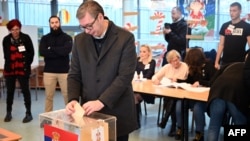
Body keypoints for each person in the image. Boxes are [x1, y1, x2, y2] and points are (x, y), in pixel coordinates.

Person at [65, 1, 137, 141]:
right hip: (89, 115)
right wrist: (73, 99)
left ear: (100, 17)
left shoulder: (125, 38)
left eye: (89, 26)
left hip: (117, 113)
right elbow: (74, 74)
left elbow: (124, 76)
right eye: (82, 27)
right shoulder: (80, 40)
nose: (86, 31)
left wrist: (102, 101)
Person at [174, 48, 217, 141]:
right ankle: (180, 129)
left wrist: (200, 82)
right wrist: (178, 81)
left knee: (198, 108)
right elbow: (190, 81)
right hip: (193, 96)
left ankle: (199, 133)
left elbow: (214, 82)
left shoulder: (209, 66)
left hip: (205, 99)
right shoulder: (193, 67)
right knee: (179, 104)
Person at [207, 51, 250, 141]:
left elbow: (212, 81)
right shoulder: (247, 72)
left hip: (217, 93)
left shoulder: (229, 65)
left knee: (213, 127)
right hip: (235, 97)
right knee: (240, 127)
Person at [2, 19, 34, 123]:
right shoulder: (6, 40)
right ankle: (8, 112)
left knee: (25, 91)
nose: (15, 32)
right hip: (10, 69)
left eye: (17, 29)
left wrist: (25, 63)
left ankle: (28, 113)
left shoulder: (26, 38)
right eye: (13, 30)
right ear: (10, 30)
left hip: (23, 69)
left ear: (20, 29)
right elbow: (6, 55)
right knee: (10, 91)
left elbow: (31, 53)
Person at [39, 16, 73, 112]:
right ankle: (48, 118)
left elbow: (66, 51)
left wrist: (51, 48)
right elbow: (42, 52)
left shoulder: (67, 37)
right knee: (49, 97)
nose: (54, 24)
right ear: (49, 24)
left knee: (68, 96)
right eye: (52, 22)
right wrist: (59, 50)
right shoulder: (45, 38)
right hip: (49, 72)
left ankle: (71, 117)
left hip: (64, 72)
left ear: (60, 23)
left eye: (56, 22)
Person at [152, 49, 188, 137]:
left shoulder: (184, 66)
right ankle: (172, 125)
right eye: (173, 61)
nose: (176, 62)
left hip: (180, 93)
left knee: (172, 100)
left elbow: (184, 79)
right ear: (170, 61)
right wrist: (156, 80)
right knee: (170, 100)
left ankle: (166, 120)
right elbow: (154, 77)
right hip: (168, 92)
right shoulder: (167, 67)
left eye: (177, 60)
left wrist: (176, 80)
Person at [214, 2, 250, 70]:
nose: (231, 13)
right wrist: (216, 62)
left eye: (234, 11)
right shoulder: (225, 26)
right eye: (230, 10)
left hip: (239, 62)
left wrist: (247, 58)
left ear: (240, 11)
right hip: (225, 62)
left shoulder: (246, 26)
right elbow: (221, 45)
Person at [134, 44, 156, 128]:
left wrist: (140, 76)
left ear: (149, 53)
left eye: (144, 51)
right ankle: (135, 121)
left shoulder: (152, 62)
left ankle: (136, 122)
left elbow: (149, 75)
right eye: (140, 51)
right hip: (137, 87)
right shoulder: (137, 61)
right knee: (132, 96)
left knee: (134, 97)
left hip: (147, 90)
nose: (141, 53)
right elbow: (134, 72)